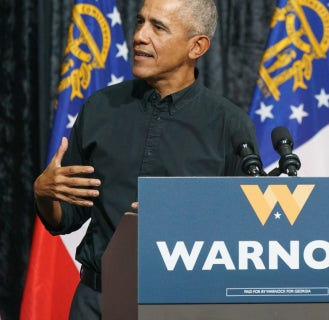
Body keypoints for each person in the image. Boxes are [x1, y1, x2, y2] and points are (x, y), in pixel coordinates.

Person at [32, 0, 257, 318]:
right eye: (140, 22)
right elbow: (65, 219)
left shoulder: (229, 124)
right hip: (98, 302)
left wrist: (187, 220)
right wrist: (43, 194)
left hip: (184, 304)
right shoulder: (99, 108)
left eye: (158, 27)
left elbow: (246, 233)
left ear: (197, 46)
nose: (139, 35)